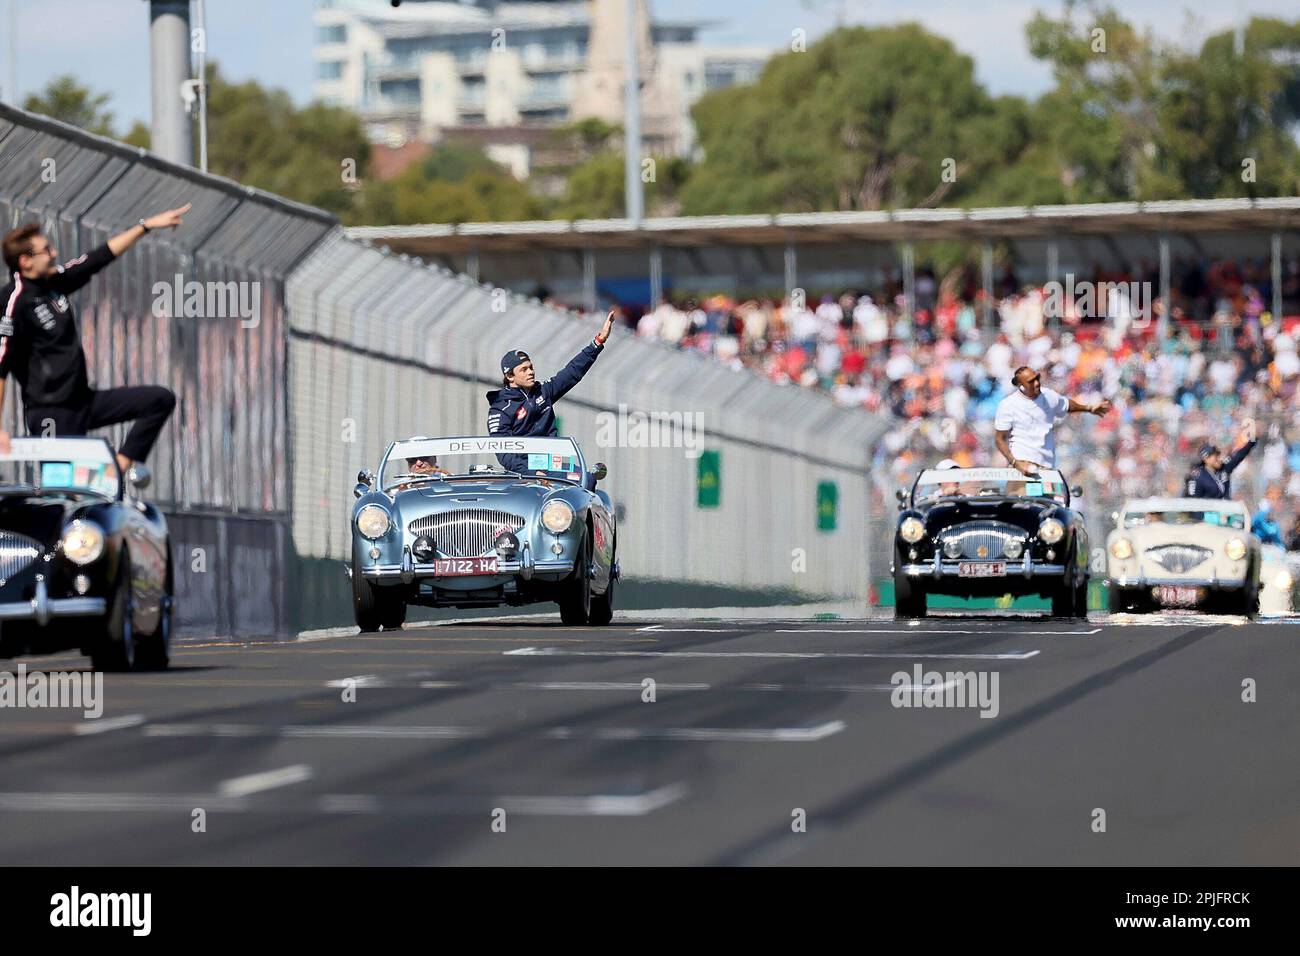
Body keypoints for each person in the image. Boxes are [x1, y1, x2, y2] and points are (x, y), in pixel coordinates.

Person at [0, 205, 191, 482]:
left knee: (159, 399)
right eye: (46, 250)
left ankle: (117, 468)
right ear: (25, 261)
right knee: (62, 493)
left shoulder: (55, 284)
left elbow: (97, 258)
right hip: (51, 414)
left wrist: (145, 226)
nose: (54, 253)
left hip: (84, 402)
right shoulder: (13, 302)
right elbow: (1, 366)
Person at [486, 310, 615, 473]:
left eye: (531, 367)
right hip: (524, 473)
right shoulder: (500, 409)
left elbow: (572, 372)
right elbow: (504, 454)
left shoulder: (543, 392)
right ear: (510, 376)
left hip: (552, 465)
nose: (531, 372)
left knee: (585, 479)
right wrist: (530, 472)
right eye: (524, 370)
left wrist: (597, 343)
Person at [994, 366, 1111, 475]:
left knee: (1050, 497)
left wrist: (1089, 408)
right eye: (1031, 381)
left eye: (1037, 379)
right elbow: (1000, 439)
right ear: (1020, 385)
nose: (1036, 383)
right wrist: (1015, 463)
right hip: (1022, 465)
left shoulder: (1047, 395)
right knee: (1021, 497)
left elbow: (1066, 405)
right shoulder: (1008, 405)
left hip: (1046, 466)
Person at [1185, 420, 1256, 499]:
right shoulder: (1198, 476)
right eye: (1215, 456)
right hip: (1208, 510)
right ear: (1206, 459)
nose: (1218, 458)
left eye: (1218, 455)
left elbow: (1241, 454)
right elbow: (1193, 502)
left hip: (1225, 509)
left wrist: (1253, 438)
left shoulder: (1225, 468)